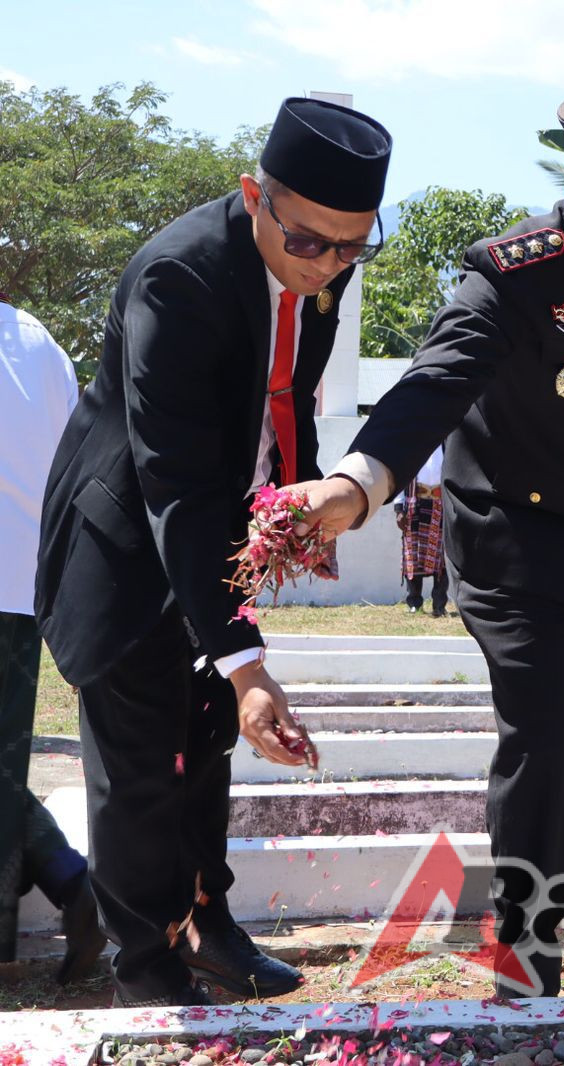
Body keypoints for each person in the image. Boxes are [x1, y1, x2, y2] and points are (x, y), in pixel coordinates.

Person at [287, 91, 564, 999]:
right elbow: (438, 380)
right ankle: (528, 955)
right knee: (542, 742)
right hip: (517, 534)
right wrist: (361, 480)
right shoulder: (511, 275)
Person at [33, 98, 392, 1007]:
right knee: (142, 772)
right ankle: (146, 977)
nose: (329, 267)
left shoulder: (321, 261)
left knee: (209, 742)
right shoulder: (178, 278)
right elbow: (178, 486)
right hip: (125, 546)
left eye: (353, 247)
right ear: (253, 196)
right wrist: (245, 659)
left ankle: (208, 931)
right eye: (311, 243)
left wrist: (295, 502)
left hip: (209, 536)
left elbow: (287, 392)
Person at [0, 294, 104, 982]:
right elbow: (72, 462)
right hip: (20, 584)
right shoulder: (38, 339)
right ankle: (72, 886)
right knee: (5, 767)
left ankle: (71, 883)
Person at [396, 445, 449, 616]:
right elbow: (399, 478)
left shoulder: (448, 444)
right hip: (414, 505)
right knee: (413, 557)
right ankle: (414, 603)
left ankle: (439, 605)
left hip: (441, 507)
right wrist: (399, 510)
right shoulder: (413, 445)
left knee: (441, 560)